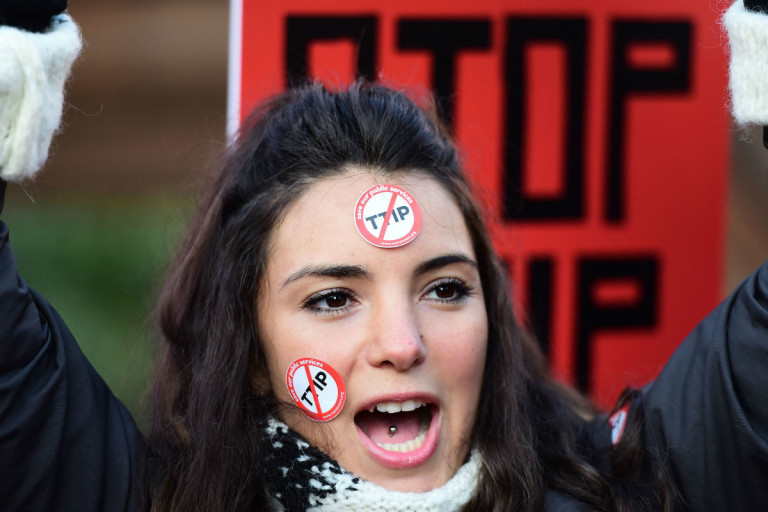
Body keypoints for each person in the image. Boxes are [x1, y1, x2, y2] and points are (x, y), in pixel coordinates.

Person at [1, 2, 768, 512]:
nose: (402, 344)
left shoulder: (642, 487)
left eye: (445, 289)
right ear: (254, 354)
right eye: (334, 298)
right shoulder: (145, 500)